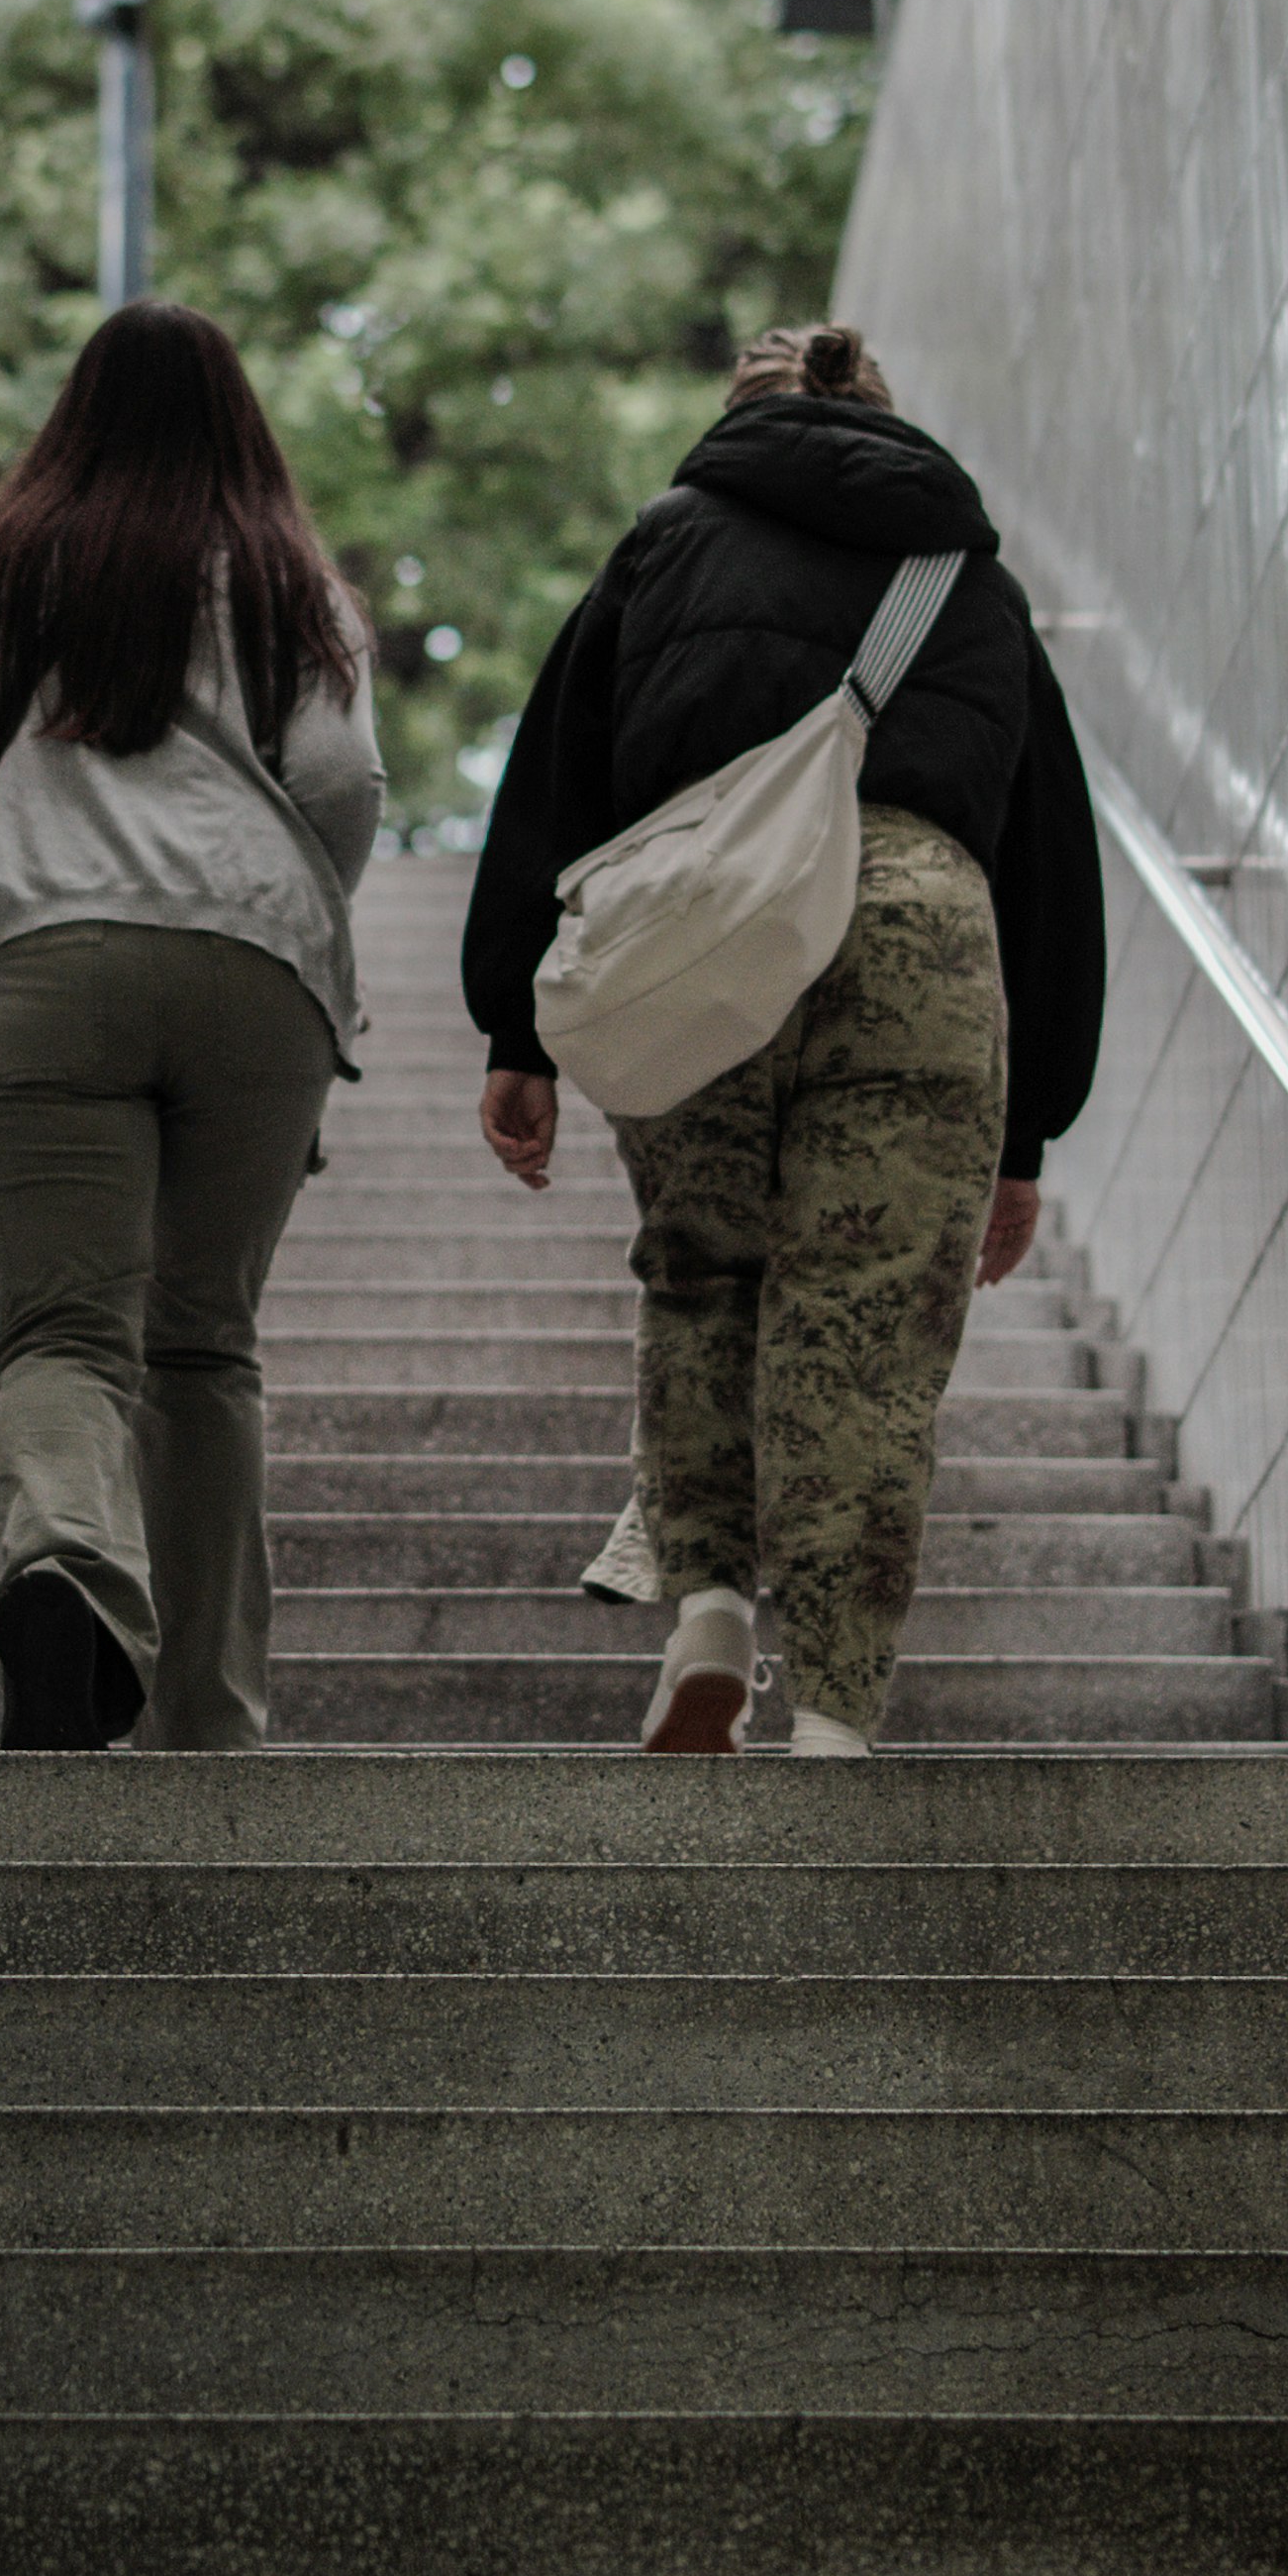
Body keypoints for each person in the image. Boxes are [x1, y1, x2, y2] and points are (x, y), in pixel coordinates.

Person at [462, 321, 1102, 1755]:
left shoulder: (667, 540)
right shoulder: (973, 577)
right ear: (884, 411)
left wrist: (519, 1021)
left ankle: (705, 1616)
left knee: (702, 1279)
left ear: (738, 418)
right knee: (866, 1326)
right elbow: (1054, 860)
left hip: (709, 926)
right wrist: (1028, 1126)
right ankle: (833, 1711)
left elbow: (553, 772)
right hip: (921, 930)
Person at [0, 301, 384, 1750]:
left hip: (38, 957)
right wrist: (285, 901)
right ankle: (210, 1717)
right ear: (243, 426)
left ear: (75, 416)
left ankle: (66, 1566)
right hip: (254, 969)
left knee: (61, 1332)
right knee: (206, 1349)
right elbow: (342, 788)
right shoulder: (298, 585)